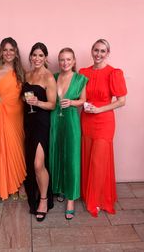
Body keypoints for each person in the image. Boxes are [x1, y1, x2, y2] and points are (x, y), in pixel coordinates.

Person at [79, 39, 127, 217]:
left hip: (104, 120)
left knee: (99, 159)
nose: (98, 54)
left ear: (107, 53)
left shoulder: (114, 73)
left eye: (102, 51)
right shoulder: (84, 72)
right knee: (88, 155)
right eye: (96, 50)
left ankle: (98, 199)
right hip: (87, 119)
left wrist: (99, 109)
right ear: (91, 51)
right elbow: (80, 96)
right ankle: (89, 194)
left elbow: (121, 101)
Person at [49, 48, 88, 220]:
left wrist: (72, 102)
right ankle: (60, 188)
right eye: (62, 60)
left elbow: (83, 101)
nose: (65, 63)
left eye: (68, 59)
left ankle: (71, 198)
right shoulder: (54, 77)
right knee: (56, 155)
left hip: (71, 120)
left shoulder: (80, 79)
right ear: (59, 61)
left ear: (74, 61)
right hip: (55, 120)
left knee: (71, 158)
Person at [23, 42, 56, 222]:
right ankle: (35, 194)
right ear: (30, 57)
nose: (37, 58)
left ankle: (43, 200)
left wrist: (37, 103)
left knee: (38, 164)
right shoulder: (27, 74)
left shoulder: (49, 77)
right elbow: (23, 97)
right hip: (27, 121)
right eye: (34, 55)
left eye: (40, 55)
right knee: (30, 163)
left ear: (45, 58)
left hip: (42, 123)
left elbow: (52, 104)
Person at [0, 37, 26, 200]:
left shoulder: (21, 72)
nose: (8, 53)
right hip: (2, 113)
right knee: (5, 149)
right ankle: (10, 186)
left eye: (12, 50)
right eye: (5, 50)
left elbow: (26, 95)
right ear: (1, 52)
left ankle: (20, 183)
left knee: (18, 148)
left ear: (16, 52)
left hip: (18, 114)